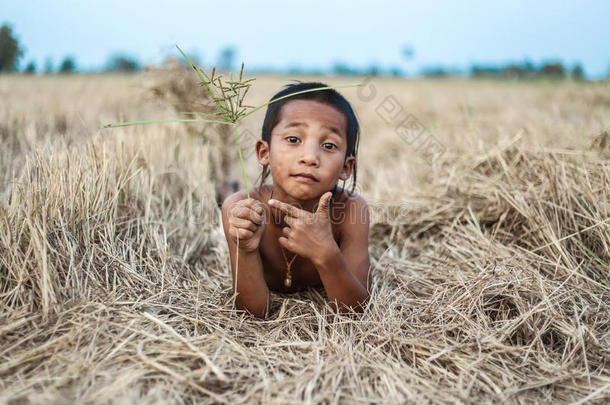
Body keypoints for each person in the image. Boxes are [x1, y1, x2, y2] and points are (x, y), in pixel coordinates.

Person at [221, 82, 371, 319]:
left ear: (346, 167)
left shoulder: (351, 210)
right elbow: (252, 314)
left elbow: (356, 313)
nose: (310, 157)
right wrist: (246, 249)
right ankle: (226, 184)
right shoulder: (242, 209)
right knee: (228, 195)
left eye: (329, 145)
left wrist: (326, 253)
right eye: (293, 139)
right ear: (264, 153)